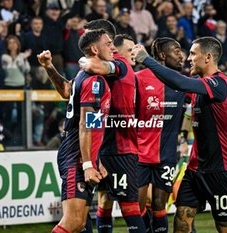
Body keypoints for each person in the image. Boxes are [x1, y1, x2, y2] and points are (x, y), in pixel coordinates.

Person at [133, 36, 227, 233]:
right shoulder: (199, 85)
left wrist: (146, 59)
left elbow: (180, 82)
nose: (188, 58)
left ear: (208, 57)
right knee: (181, 220)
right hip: (195, 169)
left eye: (193, 54)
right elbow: (176, 83)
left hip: (222, 170)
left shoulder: (219, 84)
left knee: (226, 227)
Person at [37, 29, 113, 233]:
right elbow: (87, 124)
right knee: (71, 222)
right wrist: (88, 163)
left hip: (81, 154)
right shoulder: (94, 81)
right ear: (95, 49)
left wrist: (49, 67)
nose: (112, 48)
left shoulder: (83, 75)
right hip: (76, 156)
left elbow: (65, 91)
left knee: (79, 224)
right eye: (108, 43)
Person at [81, 19, 146, 233]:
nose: (86, 43)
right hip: (100, 146)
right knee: (101, 201)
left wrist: (84, 60)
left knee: (128, 205)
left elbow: (92, 64)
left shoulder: (119, 63)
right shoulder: (95, 75)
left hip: (120, 148)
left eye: (91, 37)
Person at [135, 37, 187, 233]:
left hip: (166, 156)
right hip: (139, 155)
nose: (181, 55)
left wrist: (184, 136)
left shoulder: (182, 82)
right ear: (163, 55)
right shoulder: (138, 79)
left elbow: (191, 111)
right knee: (136, 208)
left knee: (159, 206)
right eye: (176, 51)